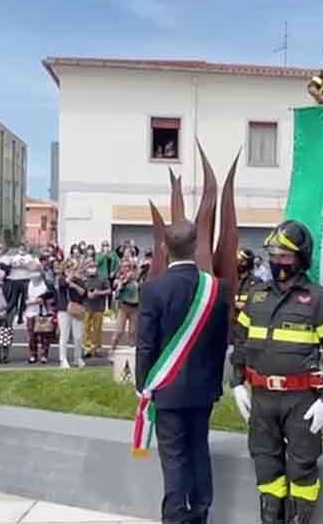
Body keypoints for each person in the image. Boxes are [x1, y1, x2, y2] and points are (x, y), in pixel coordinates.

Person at [230, 220, 323, 524]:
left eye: (286, 255)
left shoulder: (321, 298)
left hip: (302, 401)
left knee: (302, 470)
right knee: (266, 468)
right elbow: (241, 341)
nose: (278, 261)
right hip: (263, 399)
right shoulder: (256, 296)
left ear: (301, 258)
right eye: (274, 254)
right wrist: (237, 382)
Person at [135, 220, 230, 524]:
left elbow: (145, 344)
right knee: (199, 451)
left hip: (167, 388)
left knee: (174, 459)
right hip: (203, 389)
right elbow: (220, 343)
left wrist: (143, 384)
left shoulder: (153, 289)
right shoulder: (217, 288)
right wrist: (215, 385)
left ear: (163, 248)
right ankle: (200, 515)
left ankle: (175, 519)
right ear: (196, 247)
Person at [56, 259, 87, 368]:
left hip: (76, 310)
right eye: (68, 267)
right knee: (64, 334)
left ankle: (77, 357)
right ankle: (62, 358)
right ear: (64, 269)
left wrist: (75, 285)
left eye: (73, 268)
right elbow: (63, 284)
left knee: (78, 336)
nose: (71, 270)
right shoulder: (60, 279)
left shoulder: (79, 280)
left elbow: (84, 293)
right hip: (64, 309)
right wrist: (69, 277)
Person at [24, 264, 55, 364]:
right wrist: (28, 303)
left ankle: (44, 355)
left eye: (36, 271)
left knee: (44, 335)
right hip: (30, 312)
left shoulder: (46, 284)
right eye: (32, 271)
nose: (34, 274)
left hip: (43, 313)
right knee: (31, 335)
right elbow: (24, 299)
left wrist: (44, 299)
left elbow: (52, 295)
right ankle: (33, 354)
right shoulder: (27, 284)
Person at [111, 260, 140, 358]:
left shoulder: (136, 280)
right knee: (119, 331)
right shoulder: (119, 279)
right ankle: (112, 351)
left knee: (133, 332)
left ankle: (132, 353)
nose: (126, 268)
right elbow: (117, 293)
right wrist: (123, 282)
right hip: (124, 307)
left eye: (128, 266)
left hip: (135, 307)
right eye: (124, 266)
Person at [82, 261, 111, 358]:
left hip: (99, 307)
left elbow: (109, 290)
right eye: (90, 266)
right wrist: (87, 294)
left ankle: (97, 348)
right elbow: (80, 291)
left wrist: (98, 293)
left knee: (97, 329)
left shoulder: (102, 278)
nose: (92, 268)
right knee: (86, 328)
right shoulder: (84, 278)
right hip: (86, 306)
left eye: (93, 266)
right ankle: (87, 349)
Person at [9, 245, 34, 324]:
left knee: (24, 299)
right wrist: (18, 265)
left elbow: (32, 266)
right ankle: (12, 315)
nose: (22, 250)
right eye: (20, 248)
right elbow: (12, 265)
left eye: (23, 248)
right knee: (14, 299)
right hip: (15, 280)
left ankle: (21, 316)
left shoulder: (29, 257)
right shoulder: (14, 257)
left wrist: (24, 265)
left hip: (26, 279)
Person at [97, 240, 120, 310]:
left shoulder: (113, 254)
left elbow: (117, 264)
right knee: (102, 293)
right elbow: (97, 262)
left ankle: (110, 309)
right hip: (102, 277)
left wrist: (114, 272)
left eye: (107, 245)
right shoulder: (99, 254)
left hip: (111, 277)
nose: (105, 247)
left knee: (110, 294)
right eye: (104, 245)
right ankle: (101, 308)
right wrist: (104, 255)